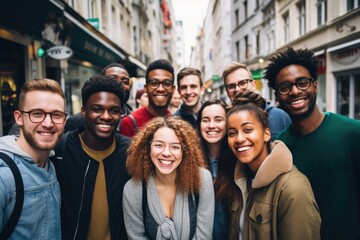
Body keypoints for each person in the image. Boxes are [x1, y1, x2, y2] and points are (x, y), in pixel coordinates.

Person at [264, 47, 360, 240]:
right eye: (285, 87)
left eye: (302, 83)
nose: (294, 91)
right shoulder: (279, 145)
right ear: (277, 96)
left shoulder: (352, 132)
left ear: (315, 85)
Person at [216, 91, 321, 239]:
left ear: (266, 134)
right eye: (232, 133)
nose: (239, 139)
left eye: (248, 130)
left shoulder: (293, 189)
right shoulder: (239, 180)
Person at [52, 75, 130, 239]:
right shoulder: (61, 149)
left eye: (114, 110)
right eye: (97, 109)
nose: (106, 116)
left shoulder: (130, 152)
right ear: (84, 112)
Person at [123, 117, 214, 239]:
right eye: (159, 145)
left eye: (175, 147)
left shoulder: (202, 179)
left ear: (185, 151)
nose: (166, 153)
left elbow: (203, 236)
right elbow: (136, 237)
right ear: (148, 149)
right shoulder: (134, 189)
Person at [0, 79, 67, 239]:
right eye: (37, 114)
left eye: (56, 115)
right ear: (19, 118)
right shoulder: (4, 177)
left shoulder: (51, 166)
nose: (48, 123)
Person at [222, 62, 291, 140]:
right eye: (231, 86)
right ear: (226, 91)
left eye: (243, 83)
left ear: (253, 84)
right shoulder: (224, 124)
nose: (237, 89)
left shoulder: (279, 117)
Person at [65, 62, 132, 132]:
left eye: (125, 81)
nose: (119, 83)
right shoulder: (75, 122)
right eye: (112, 78)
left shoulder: (134, 120)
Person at [196, 99, 229, 240]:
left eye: (218, 119)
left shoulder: (239, 161)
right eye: (205, 120)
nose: (211, 125)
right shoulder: (191, 162)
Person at [119, 59, 175, 137]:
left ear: (173, 89)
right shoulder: (130, 123)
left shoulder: (175, 122)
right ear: (146, 88)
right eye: (154, 83)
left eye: (167, 83)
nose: (160, 89)